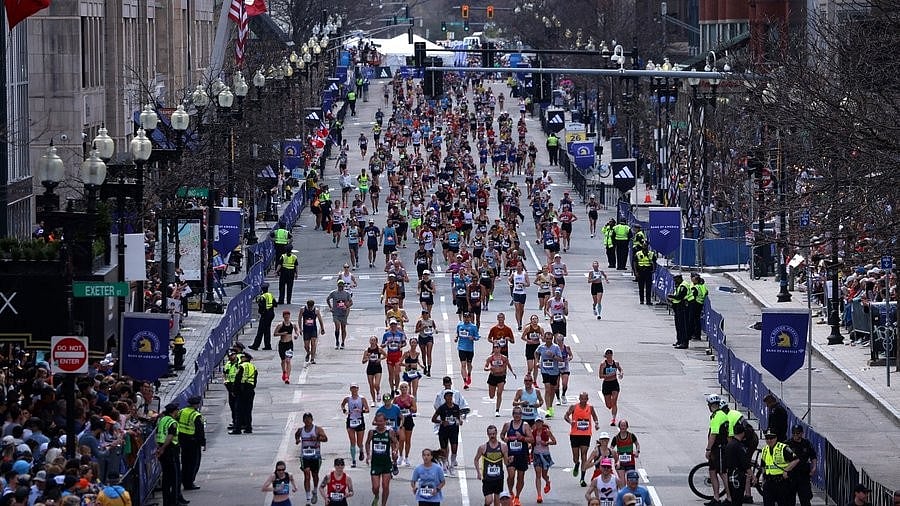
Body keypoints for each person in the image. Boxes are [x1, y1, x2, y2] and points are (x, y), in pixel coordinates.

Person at [564, 392, 601, 487]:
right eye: (582, 399)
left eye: (585, 399)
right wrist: (570, 421)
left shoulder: (590, 408)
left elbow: (595, 417)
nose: (583, 400)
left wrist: (596, 424)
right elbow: (566, 416)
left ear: (587, 399)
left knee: (584, 455)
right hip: (575, 435)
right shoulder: (573, 407)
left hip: (586, 435)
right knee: (575, 458)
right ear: (579, 399)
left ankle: (582, 479)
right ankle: (577, 464)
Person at [501, 406, 534, 505]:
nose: (517, 415)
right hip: (510, 455)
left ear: (521, 415)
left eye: (519, 413)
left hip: (522, 455)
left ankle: (517, 497)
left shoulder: (525, 426)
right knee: (511, 475)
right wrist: (504, 439)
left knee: (520, 477)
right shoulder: (507, 425)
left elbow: (532, 440)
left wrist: (522, 438)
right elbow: (502, 434)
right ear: (512, 414)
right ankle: (511, 492)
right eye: (515, 413)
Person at [295, 412, 328, 505]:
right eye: (305, 419)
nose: (307, 421)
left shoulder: (317, 429)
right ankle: (308, 498)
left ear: (312, 419)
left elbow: (325, 439)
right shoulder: (301, 430)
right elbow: (296, 435)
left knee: (315, 475)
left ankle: (315, 490)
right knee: (307, 474)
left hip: (315, 456)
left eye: (309, 419)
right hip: (304, 456)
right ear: (303, 420)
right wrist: (297, 440)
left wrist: (317, 438)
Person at [759, 429, 799, 506]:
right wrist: (763, 479)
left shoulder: (783, 448)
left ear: (776, 438)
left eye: (771, 438)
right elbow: (763, 465)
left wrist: (786, 470)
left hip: (781, 482)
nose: (769, 440)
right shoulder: (764, 450)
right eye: (767, 438)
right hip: (768, 482)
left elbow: (796, 460)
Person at [474, 425, 510, 506]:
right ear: (487, 434)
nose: (492, 436)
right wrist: (478, 473)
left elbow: (506, 462)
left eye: (493, 434)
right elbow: (476, 460)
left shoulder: (503, 447)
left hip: (499, 478)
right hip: (487, 479)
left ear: (496, 433)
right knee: (489, 500)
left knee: (497, 502)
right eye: (490, 434)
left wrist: (509, 460)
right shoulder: (483, 447)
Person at [155, 403, 183, 506]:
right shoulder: (172, 422)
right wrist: (162, 448)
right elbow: (170, 436)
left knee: (166, 479)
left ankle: (166, 502)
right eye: (177, 410)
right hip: (170, 450)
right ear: (173, 411)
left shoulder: (162, 420)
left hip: (162, 450)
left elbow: (157, 434)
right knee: (174, 478)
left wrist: (159, 448)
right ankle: (173, 502)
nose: (178, 411)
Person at [432, 390, 465, 476]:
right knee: (444, 449)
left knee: (454, 448)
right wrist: (442, 422)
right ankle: (444, 466)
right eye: (447, 396)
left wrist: (460, 421)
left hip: (454, 430)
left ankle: (452, 466)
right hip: (444, 431)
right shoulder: (442, 408)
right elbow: (433, 419)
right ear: (444, 398)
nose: (449, 398)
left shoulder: (456, 407)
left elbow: (458, 417)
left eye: (451, 396)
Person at [177, 396, 205, 491]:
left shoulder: (182, 411)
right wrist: (203, 442)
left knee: (185, 462)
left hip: (182, 440)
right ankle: (189, 482)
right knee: (193, 463)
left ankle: (184, 480)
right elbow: (200, 430)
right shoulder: (196, 415)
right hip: (193, 441)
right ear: (196, 404)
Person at [705, 393, 728, 504]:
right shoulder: (722, 414)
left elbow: (713, 434)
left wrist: (708, 449)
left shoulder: (717, 416)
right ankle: (716, 498)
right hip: (718, 448)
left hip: (718, 449)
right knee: (712, 471)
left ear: (711, 405)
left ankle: (729, 498)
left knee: (723, 473)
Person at [787, 424, 817, 506]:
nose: (795, 435)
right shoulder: (788, 444)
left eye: (797, 433)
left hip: (803, 475)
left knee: (805, 500)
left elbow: (813, 456)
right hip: (791, 475)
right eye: (794, 433)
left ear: (802, 433)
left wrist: (814, 467)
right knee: (789, 500)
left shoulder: (806, 443)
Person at [340, 384, 369, 468]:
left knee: (359, 442)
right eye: (352, 388)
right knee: (352, 442)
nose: (354, 390)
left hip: (359, 420)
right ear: (350, 389)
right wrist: (344, 410)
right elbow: (342, 405)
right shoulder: (347, 398)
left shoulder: (362, 398)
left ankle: (361, 450)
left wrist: (361, 411)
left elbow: (367, 410)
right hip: (351, 421)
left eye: (355, 388)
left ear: (358, 389)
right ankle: (353, 460)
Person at [484, 342, 517, 417]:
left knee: (499, 393)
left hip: (501, 376)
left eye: (497, 347)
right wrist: (489, 369)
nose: (496, 349)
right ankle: (494, 390)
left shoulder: (504, 358)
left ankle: (497, 410)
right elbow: (485, 367)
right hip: (493, 376)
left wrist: (513, 372)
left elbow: (508, 365)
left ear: (500, 348)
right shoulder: (490, 358)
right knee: (491, 396)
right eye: (494, 347)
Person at [723, 421, 751, 506]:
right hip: (739, 475)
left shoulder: (729, 445)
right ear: (742, 433)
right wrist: (752, 476)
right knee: (738, 498)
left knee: (734, 498)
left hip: (731, 474)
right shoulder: (740, 446)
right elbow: (745, 464)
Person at [534, 332, 562, 418]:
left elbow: (560, 359)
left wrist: (553, 355)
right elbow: (536, 353)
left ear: (552, 339)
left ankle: (550, 407)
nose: (548, 340)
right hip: (545, 371)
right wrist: (537, 362)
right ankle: (548, 410)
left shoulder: (556, 347)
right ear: (544, 339)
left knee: (552, 390)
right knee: (547, 389)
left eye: (550, 339)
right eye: (547, 339)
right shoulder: (541, 347)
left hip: (554, 371)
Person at [231, 352, 258, 434]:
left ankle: (237, 429)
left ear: (245, 358)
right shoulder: (253, 367)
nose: (241, 358)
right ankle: (248, 428)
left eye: (242, 357)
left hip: (242, 390)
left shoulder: (242, 366)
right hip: (250, 390)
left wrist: (234, 391)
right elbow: (255, 380)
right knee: (248, 410)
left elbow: (237, 379)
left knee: (239, 410)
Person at [531, 418, 557, 503]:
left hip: (545, 455)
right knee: (538, 474)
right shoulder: (533, 432)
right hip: (536, 454)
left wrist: (547, 443)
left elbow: (554, 441)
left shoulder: (547, 432)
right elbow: (531, 443)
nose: (538, 424)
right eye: (537, 423)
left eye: (540, 423)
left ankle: (547, 481)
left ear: (542, 423)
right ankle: (539, 495)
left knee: (544, 475)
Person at [394, 382, 418, 467]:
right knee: (401, 439)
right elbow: (393, 408)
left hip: (408, 419)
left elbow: (415, 410)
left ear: (407, 388)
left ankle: (406, 457)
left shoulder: (411, 398)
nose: (404, 389)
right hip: (400, 420)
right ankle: (400, 456)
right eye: (402, 387)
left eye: (405, 387)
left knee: (408, 440)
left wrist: (409, 406)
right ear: (400, 389)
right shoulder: (396, 398)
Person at [456, 312, 481, 389]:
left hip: (469, 349)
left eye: (467, 317)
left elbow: (477, 336)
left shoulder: (473, 327)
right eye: (465, 317)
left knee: (469, 364)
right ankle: (465, 382)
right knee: (463, 364)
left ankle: (469, 374)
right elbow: (457, 333)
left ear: (470, 318)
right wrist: (456, 338)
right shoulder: (460, 325)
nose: (466, 319)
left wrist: (473, 338)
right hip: (461, 348)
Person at [598, 349, 623, 426]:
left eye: (610, 354)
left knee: (614, 401)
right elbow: (600, 376)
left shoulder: (616, 363)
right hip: (606, 384)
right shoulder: (603, 364)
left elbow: (620, 369)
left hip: (614, 383)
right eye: (607, 354)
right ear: (605, 355)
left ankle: (613, 419)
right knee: (609, 405)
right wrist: (609, 375)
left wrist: (621, 373)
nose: (609, 355)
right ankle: (612, 407)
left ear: (612, 355)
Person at [326, 280, 354, 349]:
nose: (341, 287)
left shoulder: (346, 293)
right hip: (336, 313)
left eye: (342, 286)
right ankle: (337, 341)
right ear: (337, 286)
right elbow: (328, 299)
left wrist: (346, 306)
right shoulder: (333, 293)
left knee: (343, 328)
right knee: (337, 327)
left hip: (343, 313)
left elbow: (351, 302)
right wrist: (330, 307)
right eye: (339, 286)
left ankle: (343, 342)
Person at [383, 319, 408, 394]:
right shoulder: (386, 334)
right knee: (390, 374)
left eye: (394, 324)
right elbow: (382, 345)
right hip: (390, 355)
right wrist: (386, 344)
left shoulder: (400, 334)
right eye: (392, 325)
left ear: (396, 325)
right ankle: (392, 389)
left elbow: (405, 343)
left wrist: (401, 345)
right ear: (390, 325)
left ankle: (396, 388)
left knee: (397, 373)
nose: (393, 326)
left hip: (397, 354)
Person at [611, 419, 640, 485]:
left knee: (630, 481)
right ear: (619, 427)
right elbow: (611, 448)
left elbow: (637, 444)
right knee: (622, 482)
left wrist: (637, 451)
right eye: (621, 425)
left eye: (624, 426)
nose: (623, 427)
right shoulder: (616, 438)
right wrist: (613, 454)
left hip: (630, 462)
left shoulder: (631, 436)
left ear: (627, 427)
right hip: (620, 462)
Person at [275, 310, 299, 383]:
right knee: (283, 361)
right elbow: (275, 334)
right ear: (283, 317)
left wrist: (296, 335)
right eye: (285, 316)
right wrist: (282, 333)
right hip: (282, 344)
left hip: (289, 344)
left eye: (287, 316)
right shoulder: (280, 325)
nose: (286, 317)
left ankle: (287, 377)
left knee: (288, 360)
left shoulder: (293, 324)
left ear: (289, 316)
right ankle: (284, 372)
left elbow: (296, 331)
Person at [667, 274, 690, 349]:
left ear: (679, 279)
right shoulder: (679, 285)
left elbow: (680, 296)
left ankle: (684, 343)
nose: (674, 282)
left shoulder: (683, 286)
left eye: (676, 280)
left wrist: (671, 296)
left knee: (683, 325)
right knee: (678, 325)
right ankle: (679, 341)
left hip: (683, 307)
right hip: (677, 307)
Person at [300, 300, 326, 367]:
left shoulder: (316, 310)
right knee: (306, 345)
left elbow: (320, 319)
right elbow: (299, 319)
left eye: (311, 307)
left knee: (313, 343)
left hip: (313, 329)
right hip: (306, 329)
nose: (310, 308)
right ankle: (308, 352)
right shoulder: (303, 309)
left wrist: (322, 328)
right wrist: (300, 328)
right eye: (309, 307)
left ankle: (312, 358)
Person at [250, 283, 275, 351]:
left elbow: (261, 306)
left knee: (260, 331)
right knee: (267, 330)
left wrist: (261, 312)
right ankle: (267, 345)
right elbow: (275, 304)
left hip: (265, 315)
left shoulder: (262, 297)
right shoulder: (270, 295)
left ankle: (255, 345)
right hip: (271, 313)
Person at [363, 336, 386, 408]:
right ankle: (373, 400)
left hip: (378, 368)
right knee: (371, 385)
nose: (372, 342)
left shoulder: (379, 349)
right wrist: (367, 358)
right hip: (370, 368)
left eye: (374, 340)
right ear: (369, 341)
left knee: (376, 384)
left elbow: (386, 355)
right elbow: (363, 361)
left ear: (376, 342)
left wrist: (380, 359)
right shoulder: (367, 350)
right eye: (371, 340)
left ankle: (378, 392)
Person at [415, 310, 438, 377]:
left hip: (429, 337)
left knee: (429, 353)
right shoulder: (420, 321)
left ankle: (429, 369)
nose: (426, 315)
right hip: (422, 337)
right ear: (422, 315)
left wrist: (435, 330)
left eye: (427, 314)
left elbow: (435, 327)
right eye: (424, 314)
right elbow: (416, 331)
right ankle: (425, 366)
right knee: (423, 353)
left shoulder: (431, 321)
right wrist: (422, 328)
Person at [508, 264, 531, 330]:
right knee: (517, 309)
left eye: (520, 266)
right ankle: (519, 324)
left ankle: (520, 319)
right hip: (515, 293)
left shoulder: (524, 274)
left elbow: (528, 284)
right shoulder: (514, 274)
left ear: (521, 267)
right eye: (517, 266)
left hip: (523, 293)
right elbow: (509, 279)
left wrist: (523, 284)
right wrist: (510, 283)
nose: (518, 268)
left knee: (521, 309)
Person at [691, 273, 708, 339]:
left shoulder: (696, 287)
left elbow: (692, 296)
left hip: (696, 304)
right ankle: (697, 334)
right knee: (697, 319)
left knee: (695, 320)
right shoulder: (703, 286)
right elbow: (706, 293)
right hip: (700, 304)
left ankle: (696, 334)